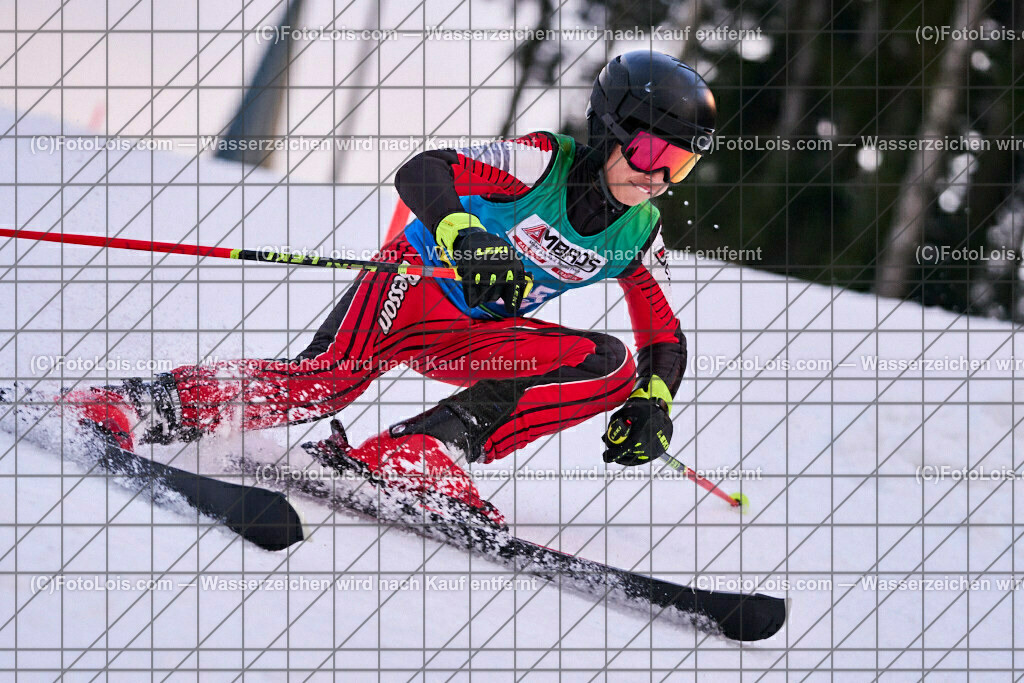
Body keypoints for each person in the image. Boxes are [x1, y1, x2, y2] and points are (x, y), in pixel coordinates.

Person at [64, 51, 717, 524]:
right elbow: (424, 171)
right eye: (652, 154)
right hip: (408, 288)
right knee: (321, 383)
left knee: (609, 366)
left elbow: (665, 335)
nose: (659, 178)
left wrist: (654, 398)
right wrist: (463, 233)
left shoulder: (638, 231)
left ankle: (421, 449)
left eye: (679, 164)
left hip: (476, 338)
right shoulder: (541, 160)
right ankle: (136, 404)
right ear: (610, 131)